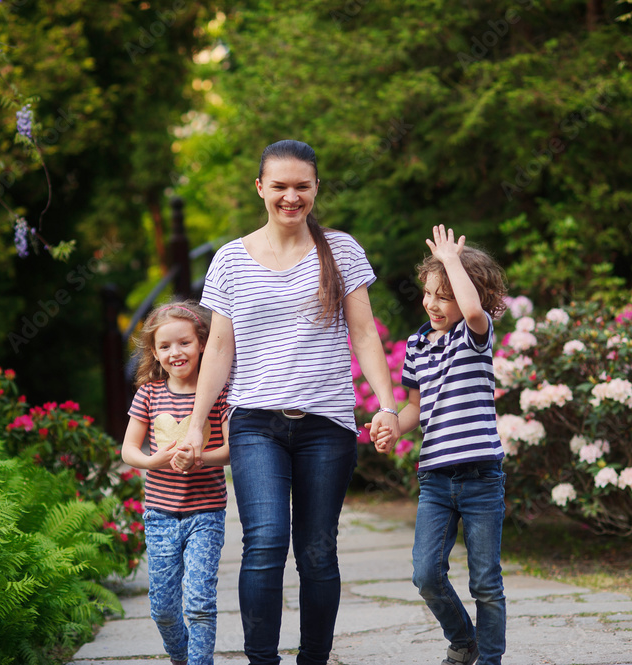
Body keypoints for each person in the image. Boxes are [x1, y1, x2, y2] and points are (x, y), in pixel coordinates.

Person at [178, 139, 400, 665]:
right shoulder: (230, 259)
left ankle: (314, 660)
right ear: (260, 188)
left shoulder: (340, 250)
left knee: (317, 552)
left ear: (316, 188)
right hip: (255, 423)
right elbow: (219, 350)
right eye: (279, 186)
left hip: (328, 425)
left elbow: (365, 334)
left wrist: (387, 406)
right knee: (266, 543)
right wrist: (194, 425)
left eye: (302, 186)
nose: (291, 196)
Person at [376, 225, 509, 665]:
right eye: (429, 292)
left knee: (485, 581)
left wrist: (453, 260)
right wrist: (395, 425)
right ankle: (463, 638)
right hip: (435, 477)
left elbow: (470, 310)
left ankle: (489, 660)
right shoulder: (416, 343)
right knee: (425, 574)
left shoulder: (475, 335)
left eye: (444, 295)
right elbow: (416, 405)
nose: (432, 303)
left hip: (481, 477)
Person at [121, 300, 231, 665]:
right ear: (154, 352)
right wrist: (155, 461)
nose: (175, 352)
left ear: (202, 342)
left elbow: (232, 449)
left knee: (199, 602)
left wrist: (198, 456)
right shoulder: (149, 394)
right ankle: (181, 657)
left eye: (184, 343)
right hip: (160, 516)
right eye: (165, 346)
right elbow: (128, 451)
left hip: (206, 514)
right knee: (163, 610)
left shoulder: (216, 393)